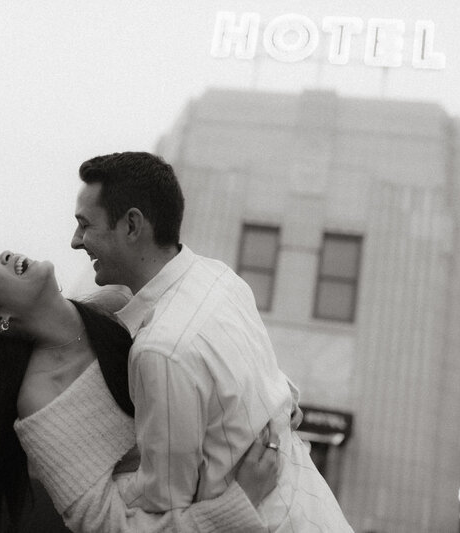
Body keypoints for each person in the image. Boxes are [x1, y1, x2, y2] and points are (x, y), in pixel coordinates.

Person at [62, 151, 352, 531]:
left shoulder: (161, 350)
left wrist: (88, 486)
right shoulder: (219, 278)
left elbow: (164, 503)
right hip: (314, 509)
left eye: (85, 225)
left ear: (132, 224)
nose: (75, 241)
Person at [0, 251, 285, 533]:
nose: (4, 254)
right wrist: (238, 506)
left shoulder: (116, 308)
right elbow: (104, 524)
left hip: (274, 485)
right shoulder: (42, 399)